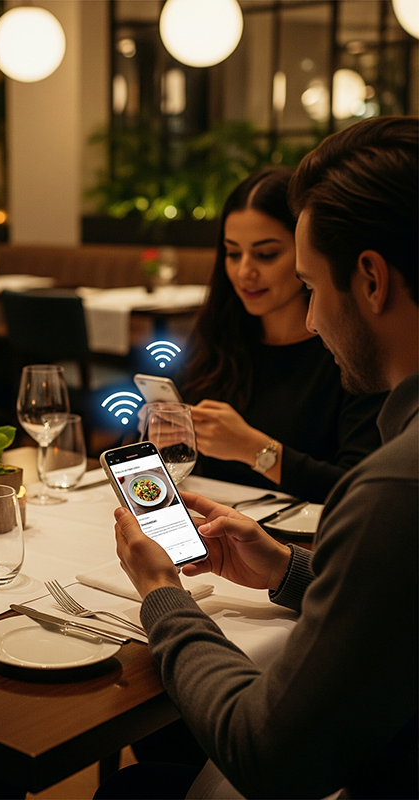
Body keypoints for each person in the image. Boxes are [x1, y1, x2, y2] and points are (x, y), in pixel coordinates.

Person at [107, 115, 418, 799]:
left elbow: (269, 755)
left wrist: (163, 596)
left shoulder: (394, 485)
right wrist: (286, 567)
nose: (310, 320)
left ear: (370, 279)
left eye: (310, 283)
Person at [174, 166, 385, 503]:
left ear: (307, 252)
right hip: (217, 530)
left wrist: (256, 449)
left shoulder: (352, 352)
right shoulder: (219, 335)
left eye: (266, 254)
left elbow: (360, 490)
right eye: (232, 253)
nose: (245, 271)